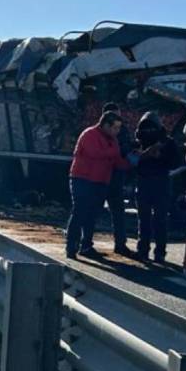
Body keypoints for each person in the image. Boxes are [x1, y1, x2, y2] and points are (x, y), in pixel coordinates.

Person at [66, 111, 131, 260]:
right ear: (105, 125)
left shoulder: (112, 140)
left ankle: (86, 245)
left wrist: (132, 161)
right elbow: (95, 153)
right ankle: (71, 246)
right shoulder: (89, 134)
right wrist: (115, 153)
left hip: (100, 181)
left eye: (119, 128)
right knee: (79, 211)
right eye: (115, 127)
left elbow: (116, 161)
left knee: (92, 214)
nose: (117, 131)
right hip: (82, 179)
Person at [133, 112, 180, 263]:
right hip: (145, 183)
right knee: (145, 220)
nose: (148, 132)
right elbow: (130, 163)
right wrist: (143, 155)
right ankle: (144, 251)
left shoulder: (167, 142)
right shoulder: (138, 142)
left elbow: (175, 162)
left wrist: (159, 156)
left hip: (159, 183)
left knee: (158, 220)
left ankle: (158, 252)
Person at [101, 102, 133, 256]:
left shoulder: (120, 131)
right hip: (103, 176)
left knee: (117, 212)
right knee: (93, 210)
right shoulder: (99, 133)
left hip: (112, 176)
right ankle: (84, 242)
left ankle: (120, 244)